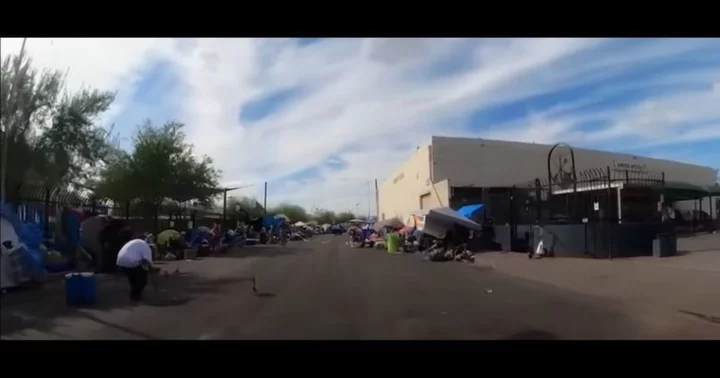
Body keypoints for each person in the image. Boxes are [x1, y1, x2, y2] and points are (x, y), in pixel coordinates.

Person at [116, 227, 154, 302]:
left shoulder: (133, 242)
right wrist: (151, 269)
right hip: (131, 261)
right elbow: (147, 261)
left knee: (133, 277)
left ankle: (134, 293)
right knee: (142, 280)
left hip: (120, 261)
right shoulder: (145, 245)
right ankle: (136, 295)